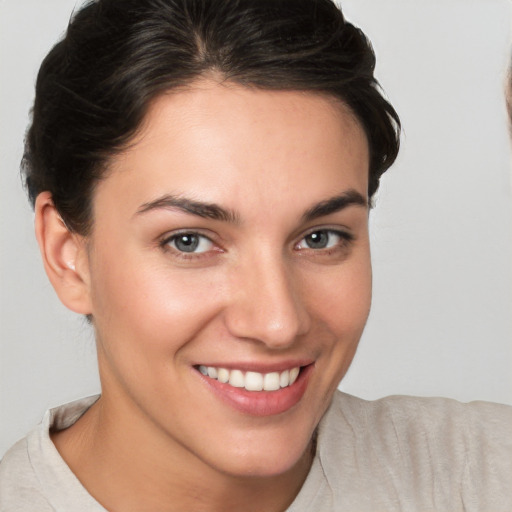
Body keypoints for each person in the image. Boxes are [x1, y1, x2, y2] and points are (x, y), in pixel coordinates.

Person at [0, 0, 511, 510]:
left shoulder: (483, 478)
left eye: (320, 237)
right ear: (68, 255)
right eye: (189, 241)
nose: (277, 323)